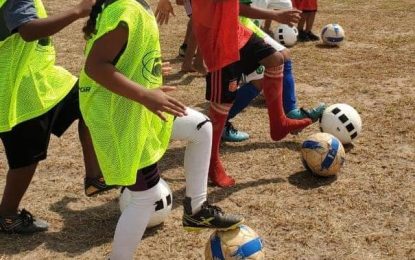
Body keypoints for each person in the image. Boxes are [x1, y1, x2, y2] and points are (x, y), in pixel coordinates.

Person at [80, 0, 243, 258]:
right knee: (144, 199)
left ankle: (197, 211)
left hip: (137, 107)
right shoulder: (126, 10)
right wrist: (145, 94)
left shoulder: (137, 6)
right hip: (118, 116)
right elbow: (96, 66)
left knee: (201, 127)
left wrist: (150, 74)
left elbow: (124, 58)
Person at [0, 0, 114, 234]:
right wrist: (76, 11)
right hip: (20, 93)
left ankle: (94, 176)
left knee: (88, 101)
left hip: (46, 80)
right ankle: (7, 216)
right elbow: (28, 30)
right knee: (25, 161)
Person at [191, 0, 313, 187]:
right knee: (222, 103)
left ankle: (278, 123)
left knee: (276, 58)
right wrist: (275, 15)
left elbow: (235, 6)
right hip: (218, 40)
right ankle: (211, 162)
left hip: (236, 31)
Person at [222, 0, 326, 142]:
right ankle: (219, 125)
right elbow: (233, 7)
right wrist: (274, 15)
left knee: (282, 58)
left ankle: (290, 114)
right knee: (262, 76)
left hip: (242, 23)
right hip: (229, 27)